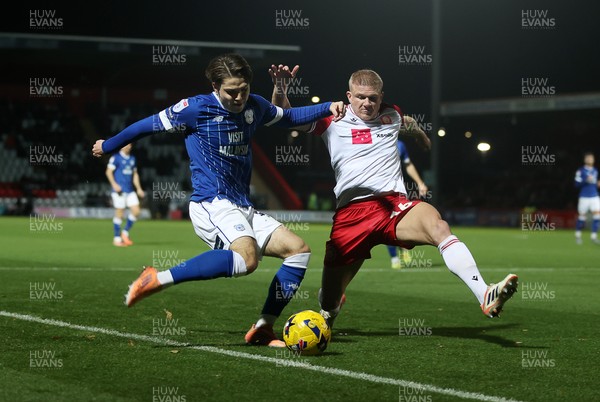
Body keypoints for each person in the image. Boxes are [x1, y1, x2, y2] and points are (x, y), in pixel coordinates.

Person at [92, 53, 346, 347]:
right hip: (212, 203)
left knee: (298, 251)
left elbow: (287, 117)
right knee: (247, 259)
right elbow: (144, 127)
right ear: (215, 86)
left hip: (241, 205)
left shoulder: (255, 106)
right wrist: (108, 146)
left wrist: (328, 106)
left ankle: (263, 328)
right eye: (231, 91)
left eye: (244, 89)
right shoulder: (194, 108)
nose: (239, 97)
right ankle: (156, 278)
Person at [269, 65, 518, 328]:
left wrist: (421, 135)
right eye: (361, 97)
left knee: (438, 226)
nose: (367, 103)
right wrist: (281, 88)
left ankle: (485, 294)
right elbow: (286, 117)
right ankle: (329, 311)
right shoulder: (331, 118)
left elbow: (406, 121)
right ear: (349, 96)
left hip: (393, 207)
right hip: (351, 215)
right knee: (328, 300)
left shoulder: (391, 114)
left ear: (381, 96)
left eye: (373, 98)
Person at [387, 139, 428, 269]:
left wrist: (420, 183)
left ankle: (403, 248)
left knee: (401, 223)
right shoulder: (372, 139)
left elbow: (408, 164)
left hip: (398, 191)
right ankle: (394, 258)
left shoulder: (400, 145)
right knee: (386, 227)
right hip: (379, 192)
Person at [106, 143, 145, 247]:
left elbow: (135, 174)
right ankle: (117, 239)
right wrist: (114, 185)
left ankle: (125, 232)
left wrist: (139, 188)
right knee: (120, 212)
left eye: (130, 145)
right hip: (119, 191)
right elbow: (108, 172)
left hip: (130, 190)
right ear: (122, 146)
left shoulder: (132, 158)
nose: (128, 147)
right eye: (126, 145)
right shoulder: (116, 158)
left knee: (136, 211)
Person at [574, 152, 600, 244]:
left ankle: (593, 237)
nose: (590, 159)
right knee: (582, 218)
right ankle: (578, 236)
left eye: (591, 158)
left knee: (597, 216)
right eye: (588, 158)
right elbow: (576, 184)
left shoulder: (595, 171)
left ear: (594, 160)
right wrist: (585, 181)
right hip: (584, 197)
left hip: (595, 197)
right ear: (585, 160)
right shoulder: (580, 171)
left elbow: (594, 184)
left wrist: (597, 184)